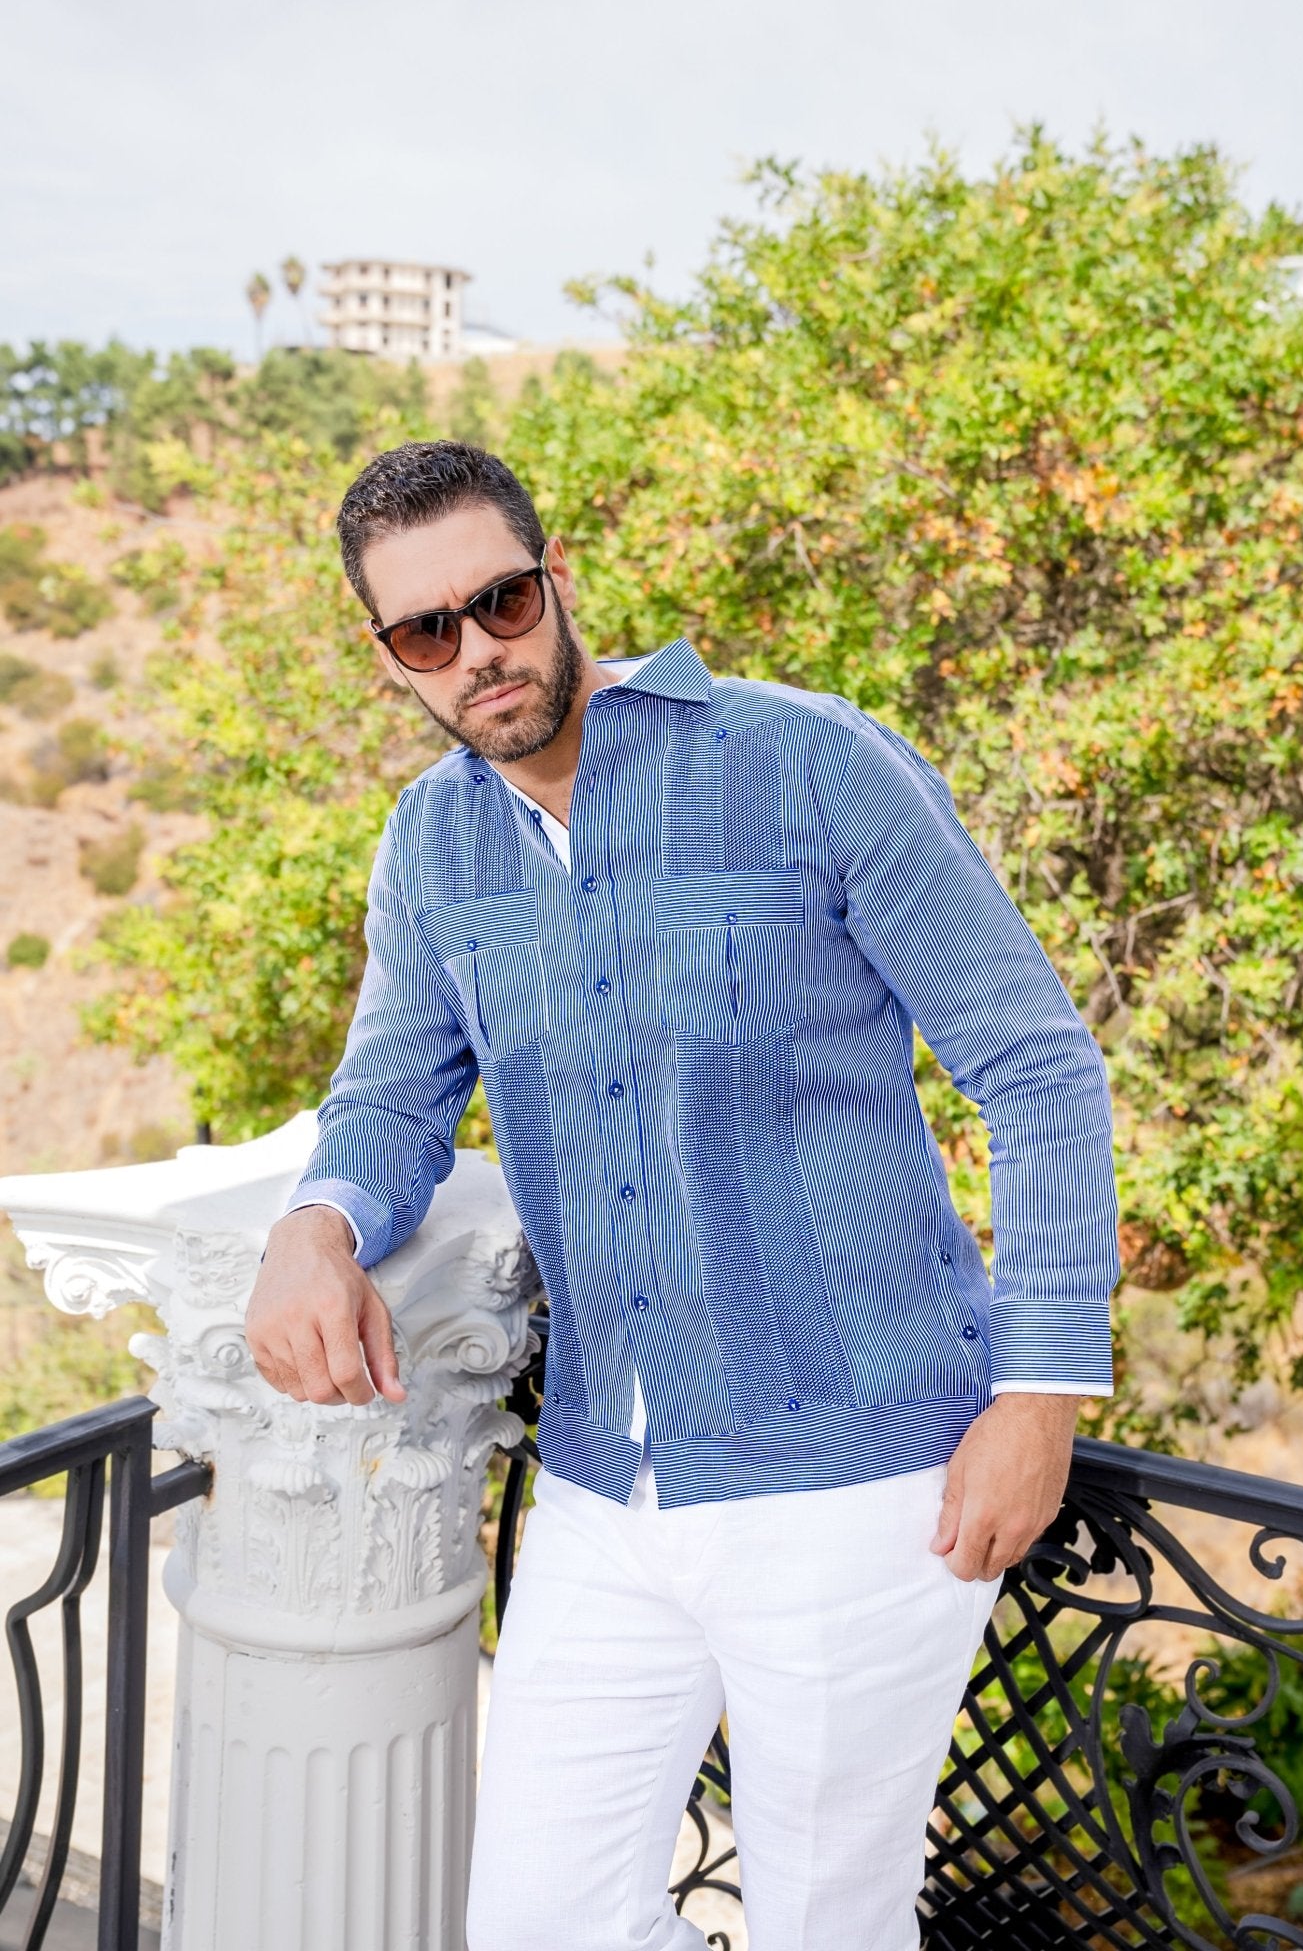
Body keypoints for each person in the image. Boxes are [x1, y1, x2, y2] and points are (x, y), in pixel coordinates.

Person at [245, 438, 1119, 1951]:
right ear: (389, 658)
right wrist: (313, 1228)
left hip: (862, 1483)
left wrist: (1040, 1391)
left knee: (824, 1929)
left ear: (556, 581)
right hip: (601, 1485)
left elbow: (1038, 1066)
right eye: (426, 632)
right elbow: (391, 1092)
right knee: (537, 1924)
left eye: (501, 601)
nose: (479, 653)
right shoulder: (433, 846)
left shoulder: (807, 763)